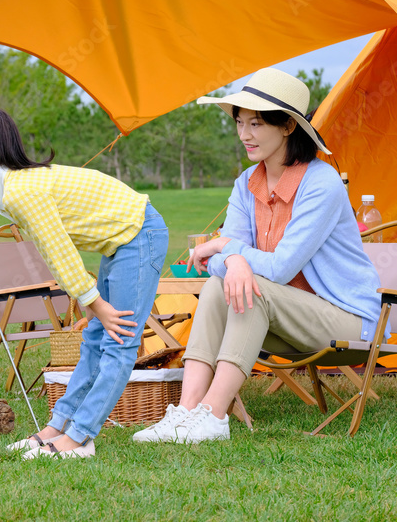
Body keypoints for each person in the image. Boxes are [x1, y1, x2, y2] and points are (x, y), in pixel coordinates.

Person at [133, 68, 383, 444]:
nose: (245, 134)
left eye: (256, 123)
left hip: (346, 321)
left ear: (287, 127)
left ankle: (213, 417)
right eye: (240, 122)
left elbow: (279, 268)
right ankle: (186, 413)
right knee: (223, 286)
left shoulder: (322, 183)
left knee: (255, 290)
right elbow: (218, 263)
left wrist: (224, 247)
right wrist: (231, 258)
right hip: (286, 320)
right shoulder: (245, 183)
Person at [0, 109, 168, 460]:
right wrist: (93, 305)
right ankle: (57, 427)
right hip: (121, 241)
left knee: (120, 341)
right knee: (94, 339)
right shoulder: (10, 191)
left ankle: (81, 437)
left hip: (138, 234)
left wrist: (98, 304)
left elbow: (60, 253)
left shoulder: (20, 192)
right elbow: (52, 250)